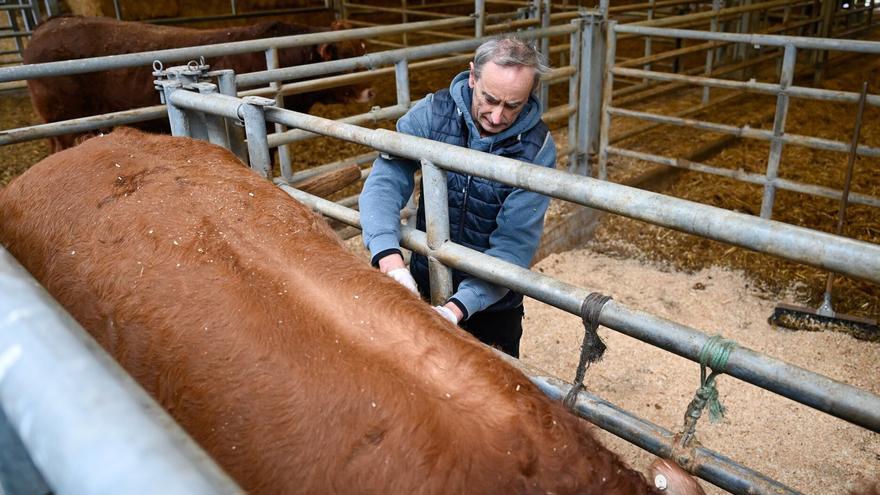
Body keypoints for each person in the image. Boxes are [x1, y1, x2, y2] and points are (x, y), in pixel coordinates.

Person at [358, 35, 555, 358]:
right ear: (473, 76)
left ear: (530, 94)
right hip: (421, 283)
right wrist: (391, 263)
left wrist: (455, 309)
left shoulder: (536, 149)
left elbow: (513, 246)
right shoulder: (434, 113)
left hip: (491, 306)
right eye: (489, 99)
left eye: (512, 106)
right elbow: (385, 181)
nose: (496, 116)